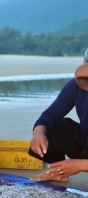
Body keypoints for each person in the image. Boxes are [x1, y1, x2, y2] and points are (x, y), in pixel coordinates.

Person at [28, 49, 88, 182]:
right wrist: (38, 134)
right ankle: (57, 172)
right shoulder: (76, 86)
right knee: (57, 126)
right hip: (85, 142)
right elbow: (49, 116)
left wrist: (81, 165)